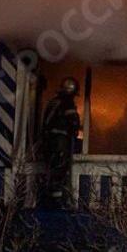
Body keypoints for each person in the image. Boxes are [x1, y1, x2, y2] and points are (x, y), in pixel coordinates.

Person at [40, 76, 81, 207]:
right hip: (60, 142)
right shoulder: (67, 102)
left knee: (51, 169)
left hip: (48, 142)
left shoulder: (53, 102)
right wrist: (75, 130)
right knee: (59, 170)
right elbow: (73, 122)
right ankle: (56, 202)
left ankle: (48, 197)